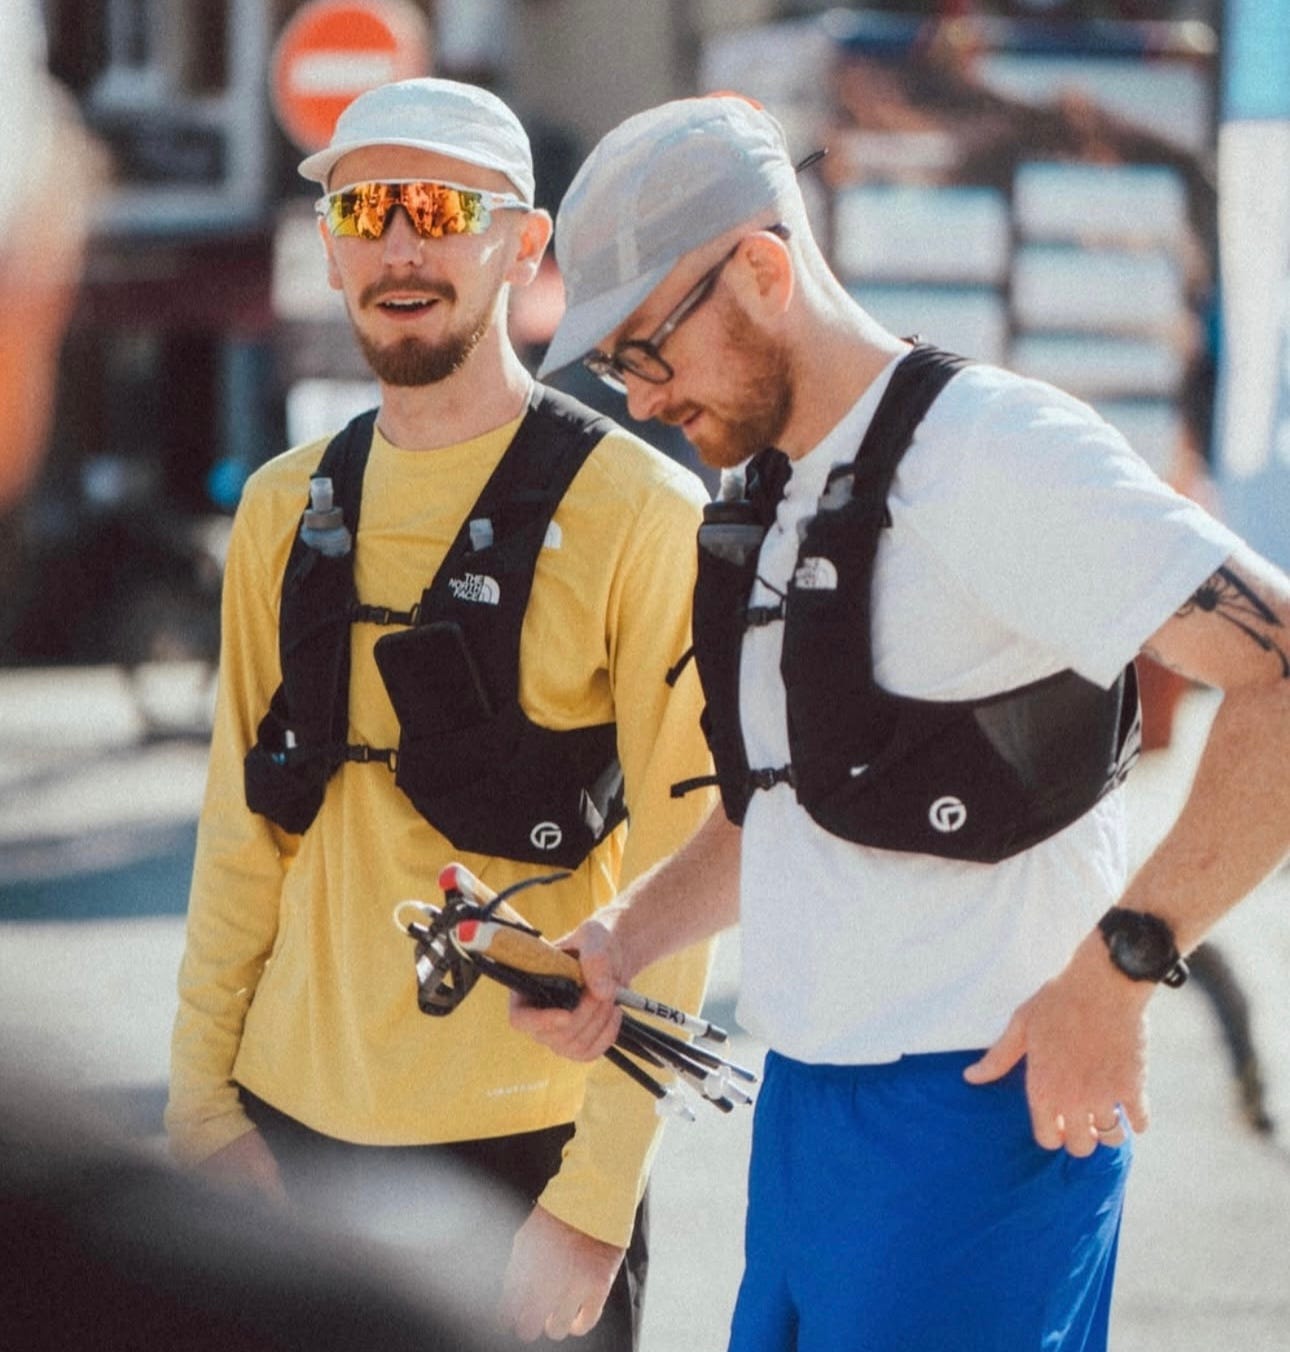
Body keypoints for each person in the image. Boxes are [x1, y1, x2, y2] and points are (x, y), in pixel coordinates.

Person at [513, 94, 1290, 1351]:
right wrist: (621, 937)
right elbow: (786, 808)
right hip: (805, 1118)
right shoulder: (768, 498)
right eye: (614, 369)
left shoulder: (994, 453)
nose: (642, 400)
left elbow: (1280, 674)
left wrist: (1122, 969)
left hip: (983, 1124)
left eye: (647, 351)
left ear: (762, 272)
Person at [165, 78, 717, 1348]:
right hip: (288, 1136)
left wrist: (596, 1198)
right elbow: (243, 833)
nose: (400, 246)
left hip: (529, 1146)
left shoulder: (642, 513)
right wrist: (201, 1107)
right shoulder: (283, 506)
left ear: (524, 245)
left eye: (441, 209)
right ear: (330, 247)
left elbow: (688, 862)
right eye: (366, 211)